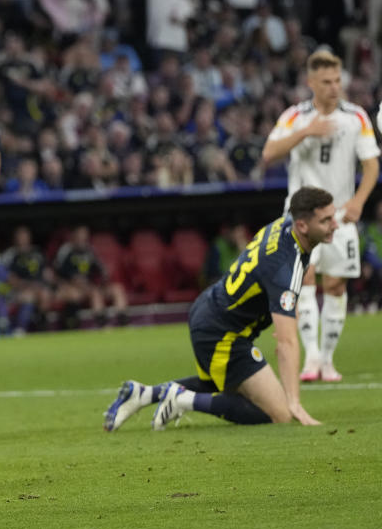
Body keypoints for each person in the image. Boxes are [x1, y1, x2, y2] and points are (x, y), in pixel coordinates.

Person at [104, 186, 336, 432]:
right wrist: (294, 402)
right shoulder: (284, 267)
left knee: (223, 384)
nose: (335, 225)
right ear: (302, 225)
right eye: (326, 220)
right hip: (221, 332)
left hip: (211, 311)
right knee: (279, 412)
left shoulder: (284, 226)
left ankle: (143, 394)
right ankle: (181, 399)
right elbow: (286, 343)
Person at [261, 49, 380, 382]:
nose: (333, 87)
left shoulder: (355, 117)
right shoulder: (295, 117)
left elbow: (371, 164)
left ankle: (327, 361)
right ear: (311, 82)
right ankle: (311, 358)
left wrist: (358, 201)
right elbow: (269, 153)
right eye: (326, 81)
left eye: (337, 80)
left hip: (340, 214)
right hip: (299, 216)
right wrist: (306, 132)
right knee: (306, 281)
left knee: (336, 285)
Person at [48, 225, 127, 327]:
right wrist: (69, 282)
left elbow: (101, 270)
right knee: (92, 293)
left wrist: (104, 277)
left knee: (117, 289)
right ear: (74, 236)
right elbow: (55, 272)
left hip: (90, 285)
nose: (82, 239)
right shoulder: (66, 250)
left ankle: (123, 321)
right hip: (72, 288)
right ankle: (101, 323)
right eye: (80, 236)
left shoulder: (89, 250)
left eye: (84, 236)